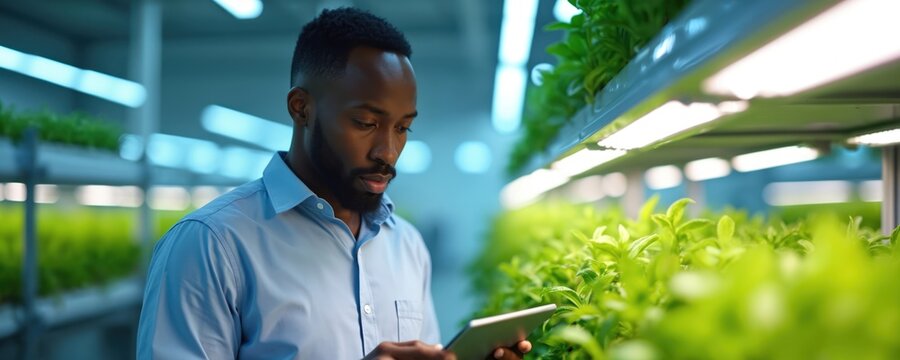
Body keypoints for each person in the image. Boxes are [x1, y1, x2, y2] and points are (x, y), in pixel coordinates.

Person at [136, 7, 531, 360]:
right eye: (366, 123)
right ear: (301, 108)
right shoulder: (211, 245)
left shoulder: (406, 244)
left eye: (403, 128)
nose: (388, 151)